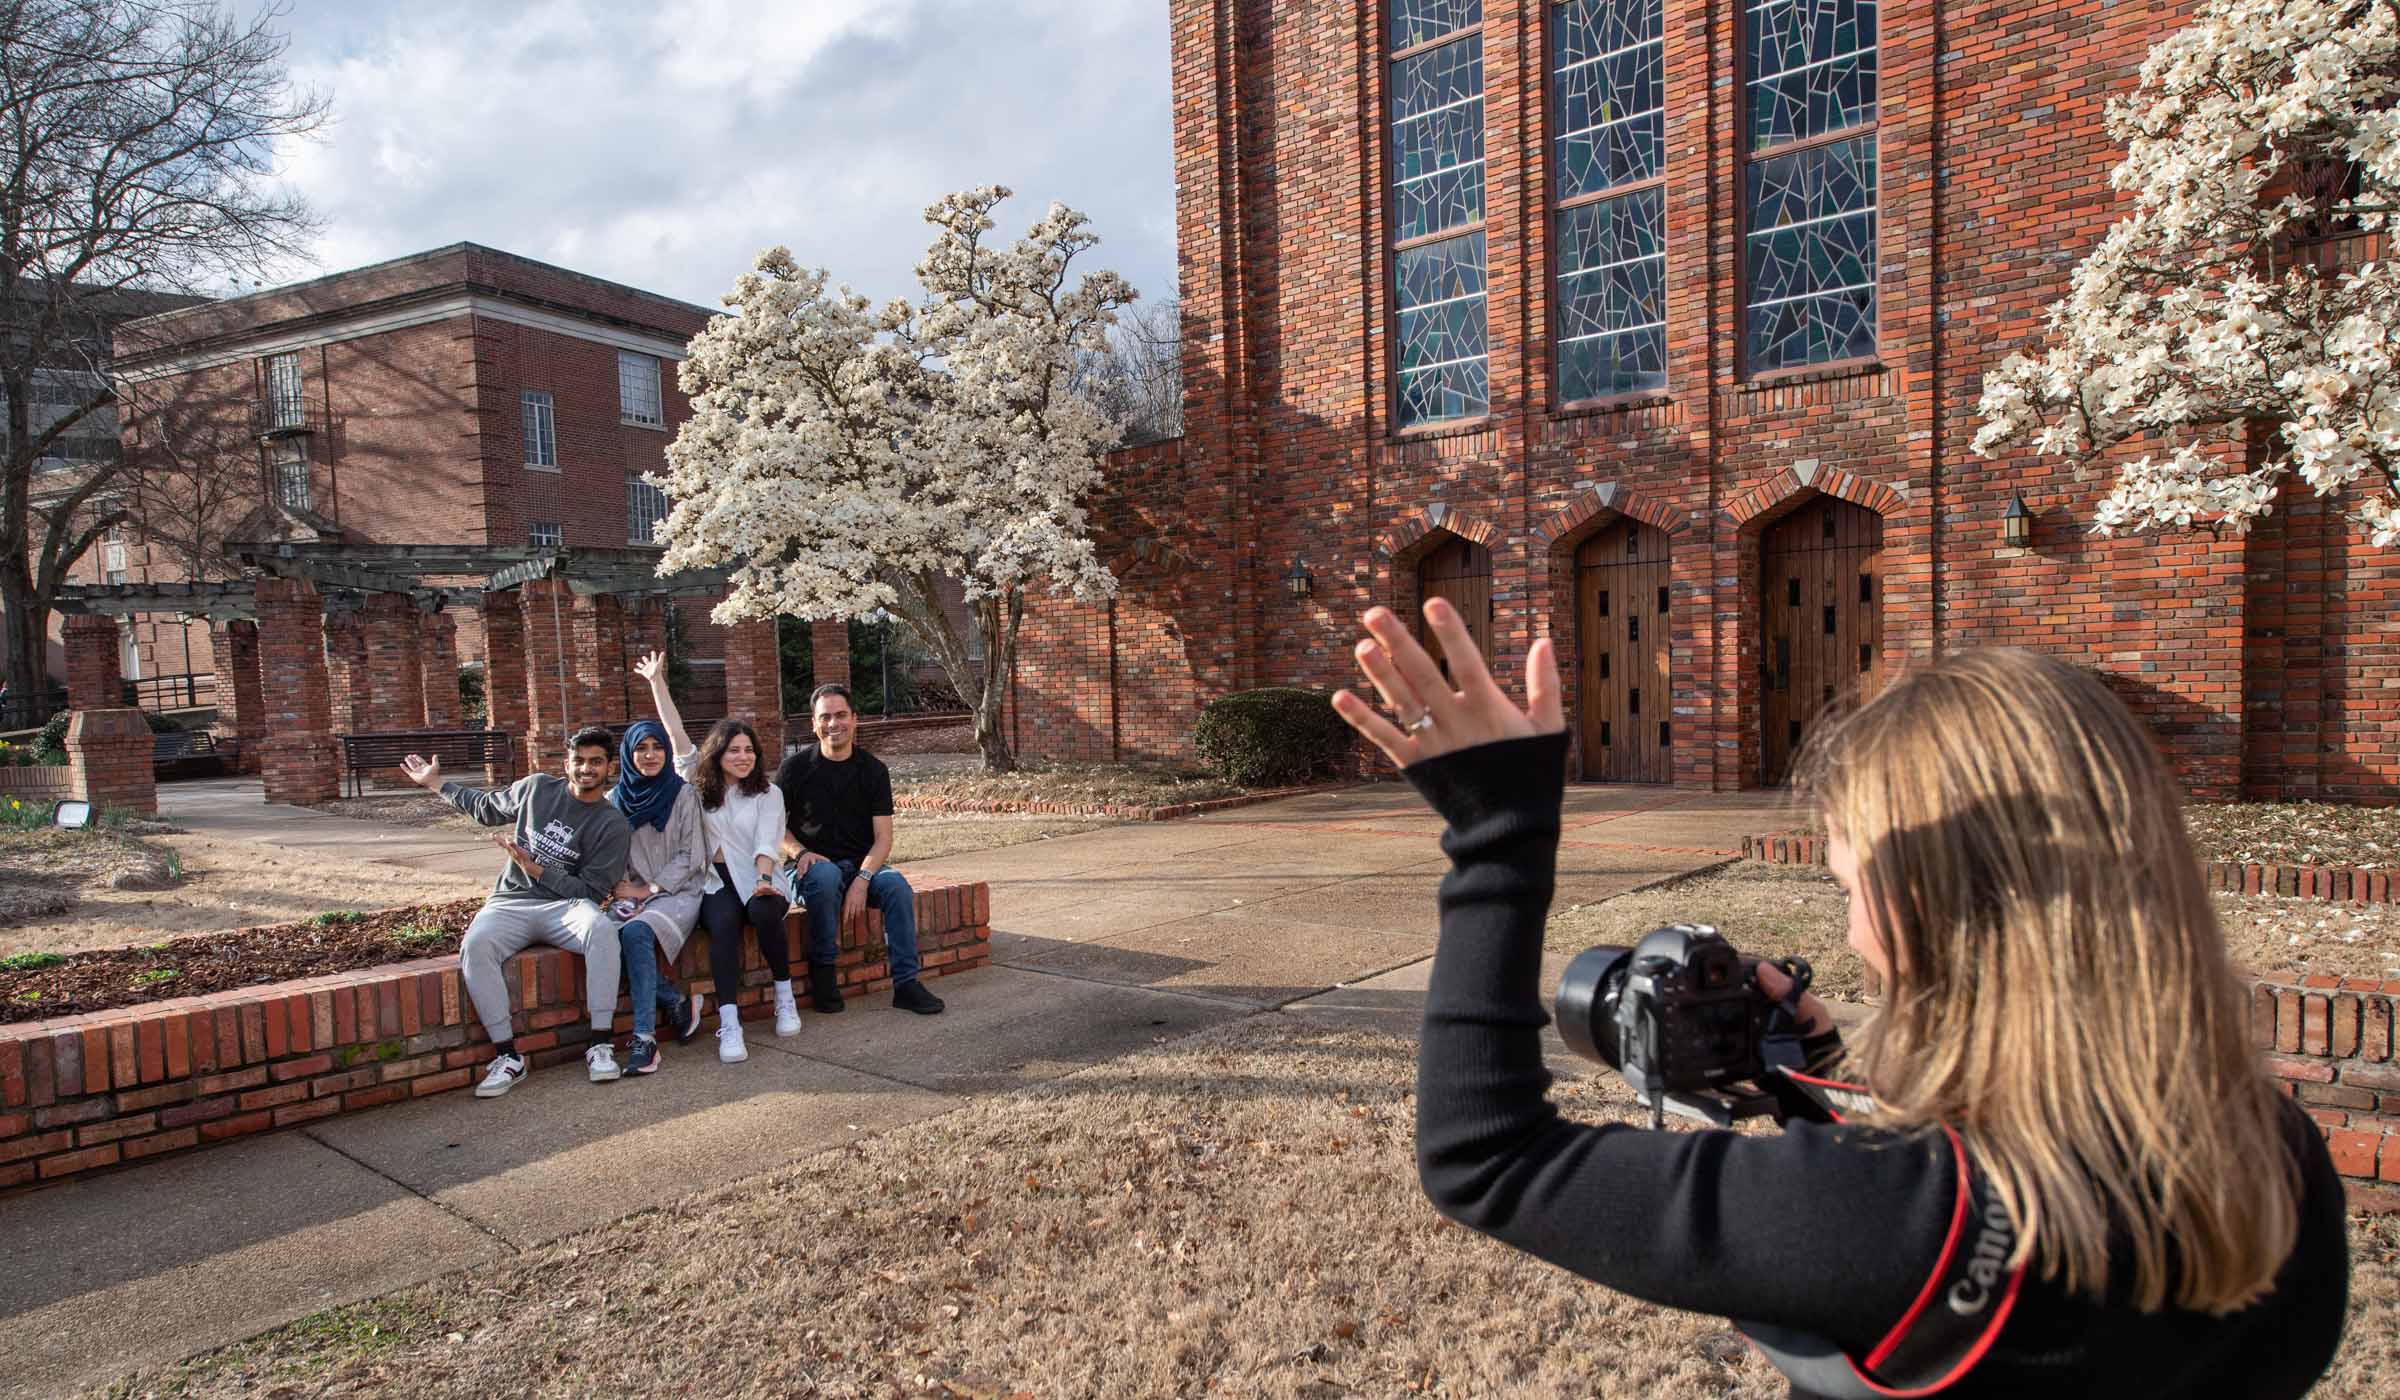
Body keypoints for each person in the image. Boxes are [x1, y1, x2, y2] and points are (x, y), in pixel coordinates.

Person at [1334, 600, 2349, 1398]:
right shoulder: (2277, 1156)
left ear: (1920, 903)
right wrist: (1819, 1080)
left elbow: (1486, 1155)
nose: (1853, 930)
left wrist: (1498, 832)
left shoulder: (1905, 1224)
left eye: (1851, 886)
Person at [403, 726, 633, 1098]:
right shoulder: (537, 789)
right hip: (511, 901)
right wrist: (436, 783)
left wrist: (538, 869)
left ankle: (600, 1044)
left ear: (609, 767)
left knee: (602, 930)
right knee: (476, 945)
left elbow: (591, 891)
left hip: (567, 908)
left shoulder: (613, 823)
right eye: (579, 761)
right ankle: (508, 1057)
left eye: (595, 762)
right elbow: (485, 808)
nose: (586, 768)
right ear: (567, 763)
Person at [633, 651, 796, 1063]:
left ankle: (784, 993)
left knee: (764, 913)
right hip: (714, 881)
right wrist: (657, 683)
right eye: (734, 750)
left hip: (757, 875)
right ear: (717, 754)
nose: (743, 757)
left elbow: (766, 841)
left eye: (749, 750)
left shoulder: (767, 793)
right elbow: (675, 734)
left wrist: (763, 879)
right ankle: (730, 1023)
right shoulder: (696, 785)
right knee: (722, 925)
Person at [775, 682, 945, 1015]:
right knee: (824, 875)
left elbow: (883, 838)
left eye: (840, 715)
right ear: (813, 723)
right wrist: (800, 852)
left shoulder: (873, 771)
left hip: (860, 867)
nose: (833, 724)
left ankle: (907, 984)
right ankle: (824, 973)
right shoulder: (793, 769)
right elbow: (774, 828)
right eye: (825, 717)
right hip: (808, 869)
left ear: (855, 720)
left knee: (896, 886)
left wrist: (863, 879)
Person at [605, 717, 710, 1075]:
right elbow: (612, 854)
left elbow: (691, 855)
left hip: (676, 891)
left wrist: (648, 890)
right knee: (600, 935)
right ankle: (674, 999)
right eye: (641, 748)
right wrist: (623, 889)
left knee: (636, 932)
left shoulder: (683, 793)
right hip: (632, 891)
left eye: (657, 747)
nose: (650, 755)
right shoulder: (614, 800)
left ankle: (645, 1039)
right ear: (627, 754)